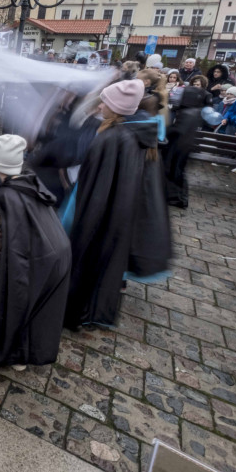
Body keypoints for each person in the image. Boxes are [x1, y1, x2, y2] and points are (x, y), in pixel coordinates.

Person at [0, 135, 71, 386]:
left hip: (37, 258)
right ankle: (19, 355)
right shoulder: (29, 181)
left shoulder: (6, 196)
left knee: (10, 300)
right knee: (28, 305)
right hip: (55, 252)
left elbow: (4, 239)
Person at [65, 79, 162, 329]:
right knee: (105, 264)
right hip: (119, 214)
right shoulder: (137, 133)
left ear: (117, 108)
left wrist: (83, 223)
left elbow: (96, 188)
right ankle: (92, 311)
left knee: (86, 260)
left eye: (105, 103)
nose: (99, 108)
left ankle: (76, 313)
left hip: (99, 214)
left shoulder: (111, 139)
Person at [164, 86, 207, 208]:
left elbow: (179, 130)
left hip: (179, 147)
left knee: (176, 172)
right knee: (178, 171)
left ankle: (178, 198)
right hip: (184, 146)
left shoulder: (187, 112)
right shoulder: (195, 110)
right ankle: (178, 197)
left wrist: (167, 130)